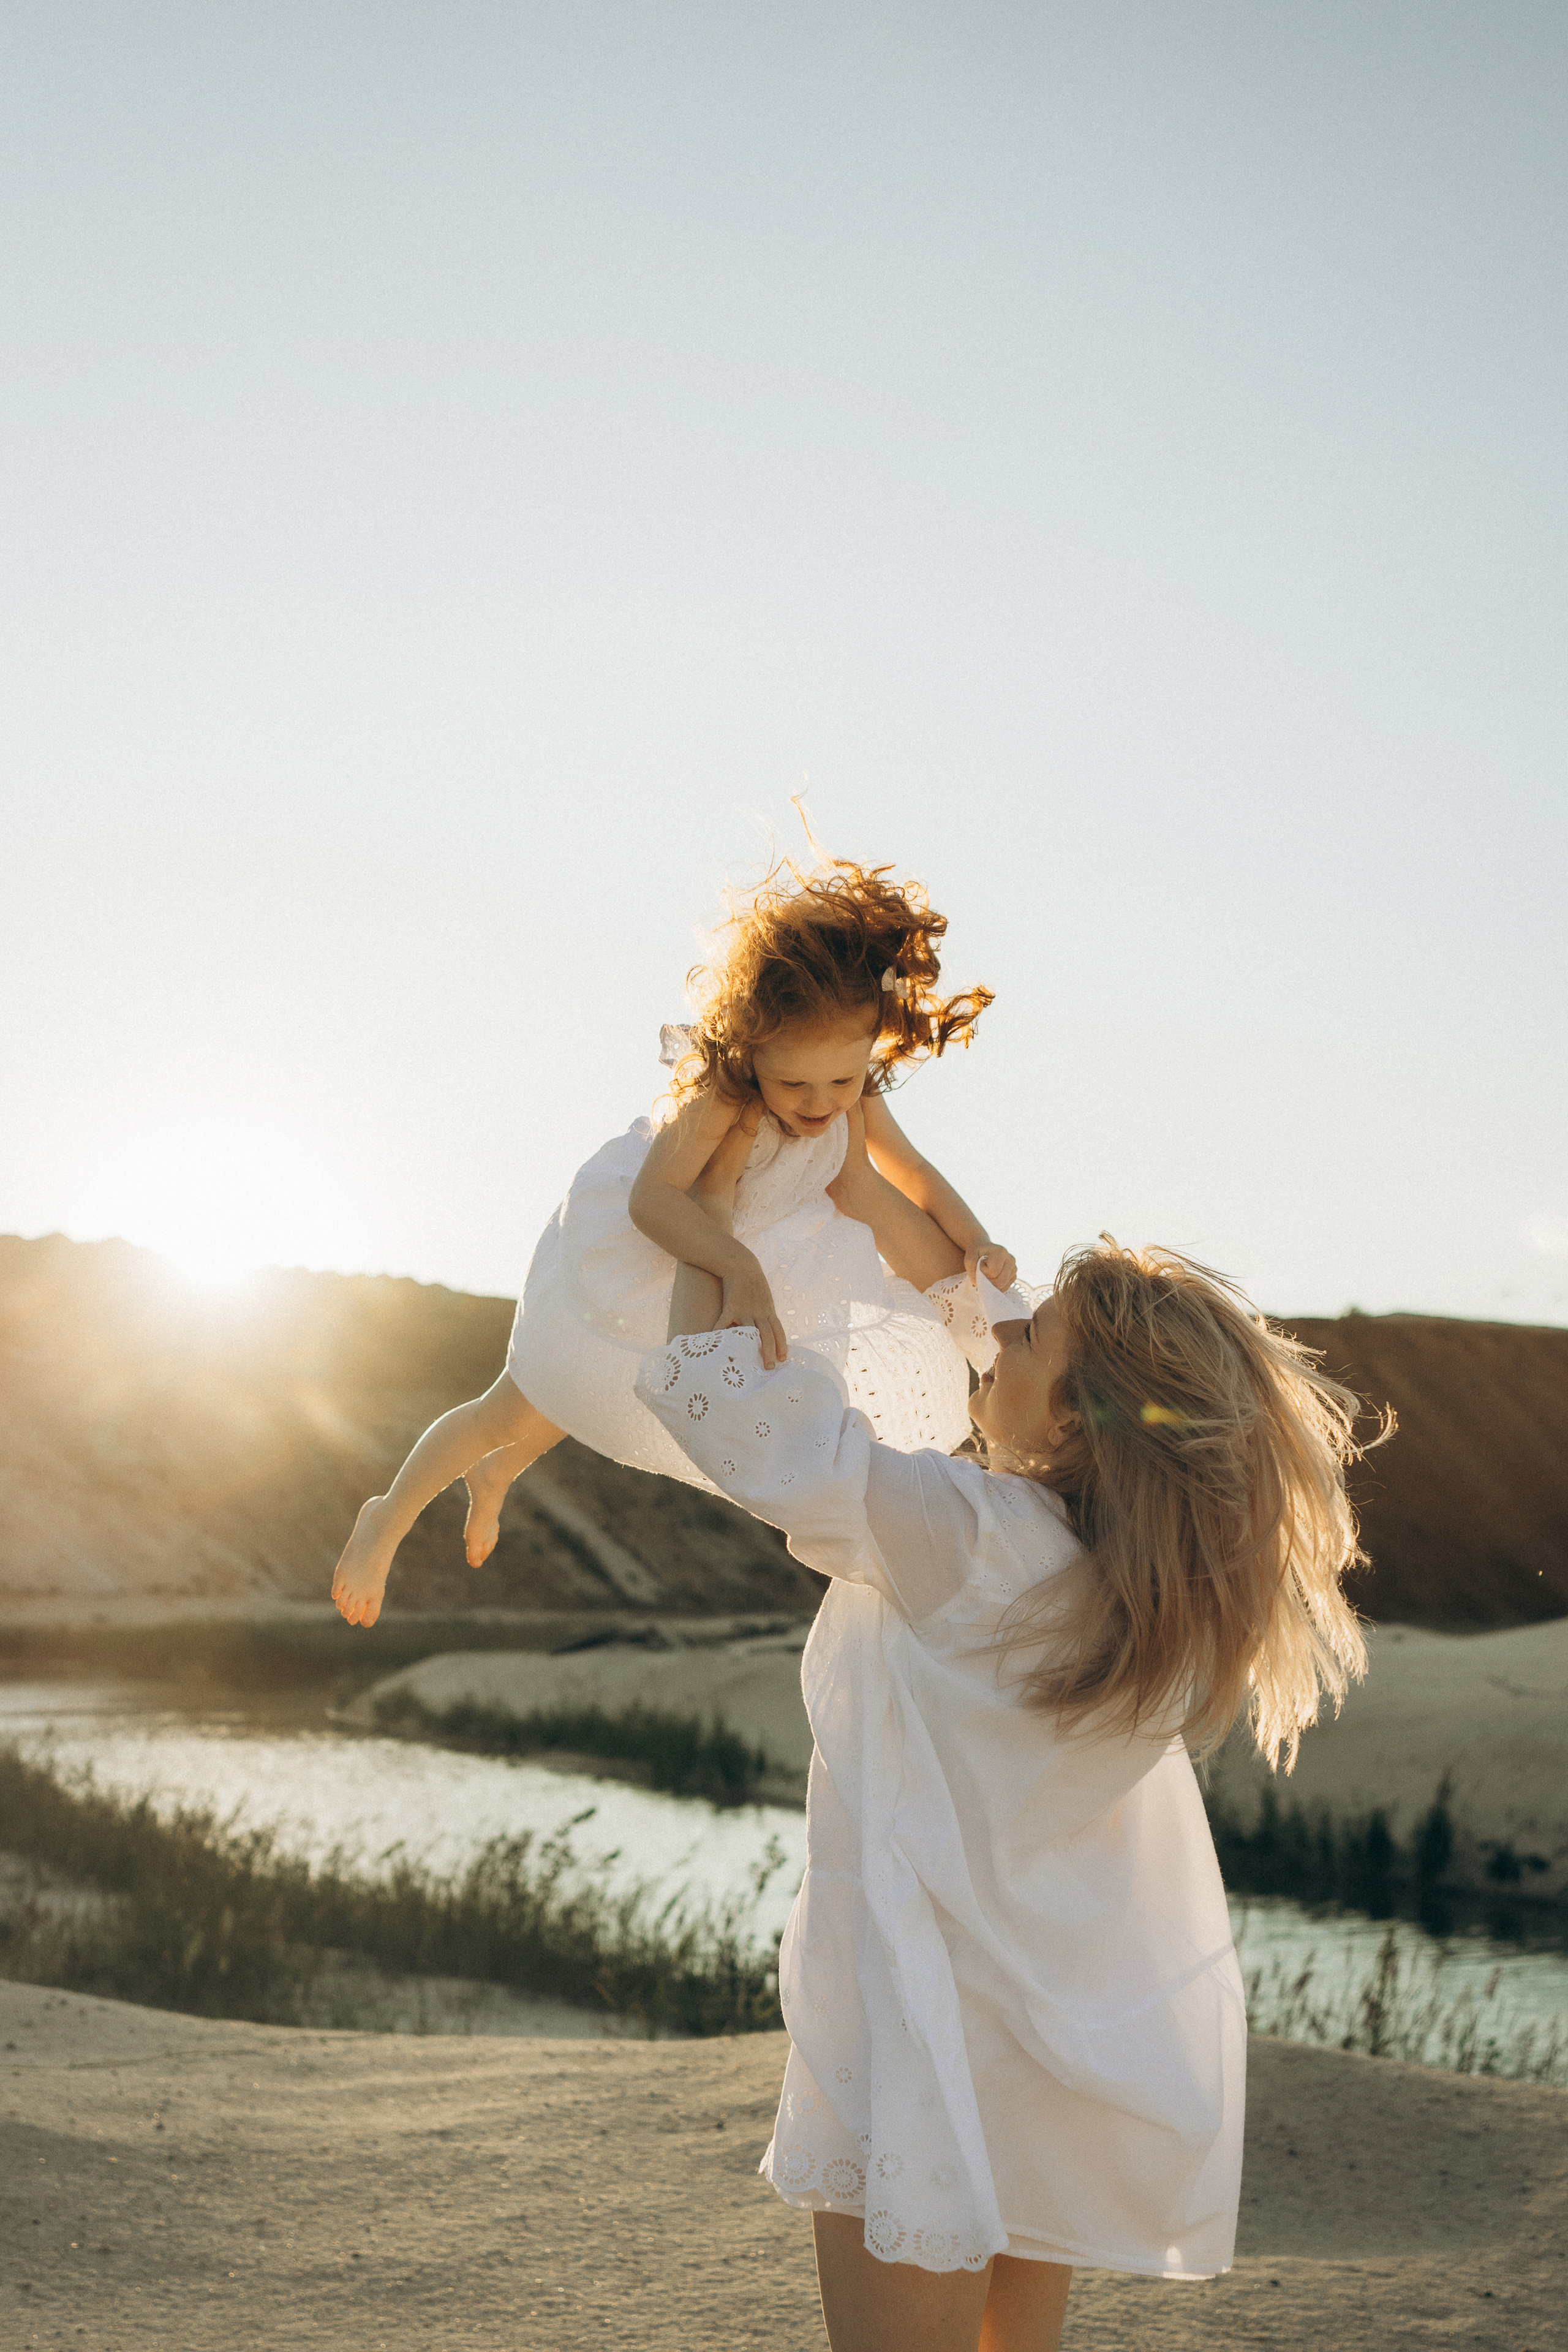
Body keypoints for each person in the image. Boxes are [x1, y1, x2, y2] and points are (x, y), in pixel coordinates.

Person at [633, 1108, 1374, 2352]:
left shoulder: (967, 1532)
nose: (999, 1328)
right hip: (1043, 2048)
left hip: (923, 2028)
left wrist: (708, 1237)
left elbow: (734, 1424)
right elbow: (974, 1305)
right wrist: (865, 1136)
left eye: (1029, 1336)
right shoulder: (1141, 1595)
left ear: (1080, 1419)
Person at [333, 855, 1021, 1627]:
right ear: (751, 1047)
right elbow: (652, 1199)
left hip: (767, 1264)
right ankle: (387, 1516)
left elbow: (912, 1177)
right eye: (795, 1085)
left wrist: (975, 1240)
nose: (821, 1104)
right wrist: (733, 1263)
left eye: (842, 1081)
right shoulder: (721, 1101)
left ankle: (499, 1477)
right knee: (519, 1405)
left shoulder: (850, 1098)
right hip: (670, 1250)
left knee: (586, 1401)